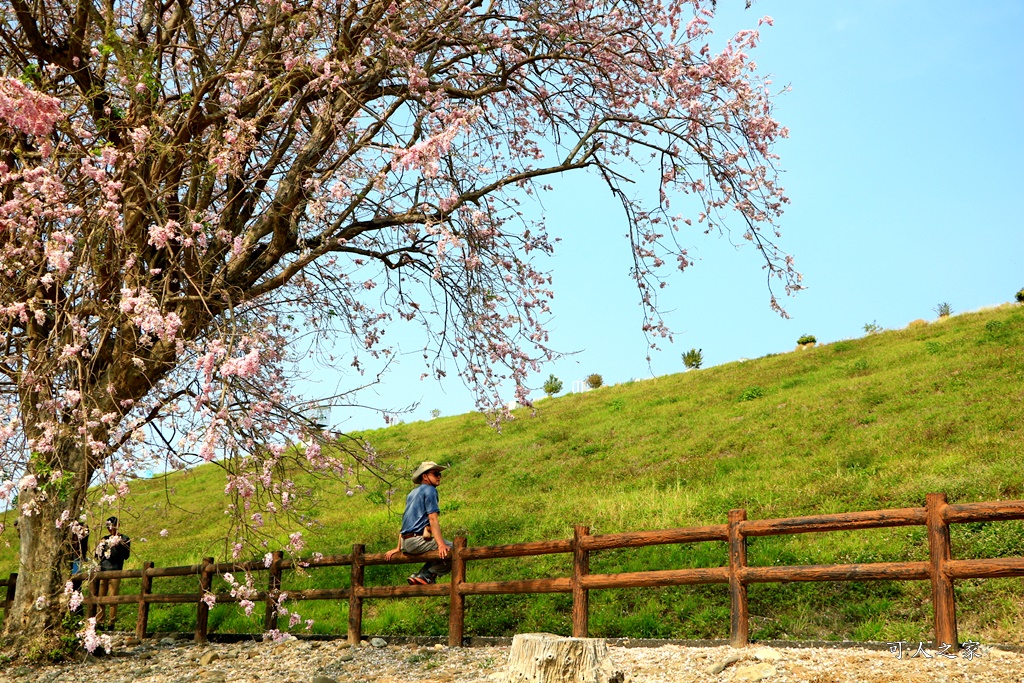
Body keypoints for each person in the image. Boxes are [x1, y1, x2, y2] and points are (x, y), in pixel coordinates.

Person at [385, 461, 452, 585]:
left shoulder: (412, 494)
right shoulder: (430, 490)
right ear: (425, 476)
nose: (439, 477)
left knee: (443, 549)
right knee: (454, 550)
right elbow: (433, 518)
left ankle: (422, 575)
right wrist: (441, 544)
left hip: (406, 542)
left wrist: (398, 547)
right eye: (435, 473)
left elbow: (406, 519)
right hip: (417, 541)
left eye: (439, 474)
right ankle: (427, 574)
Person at [94, 516, 130, 629]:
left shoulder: (124, 539)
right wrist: (100, 547)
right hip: (103, 570)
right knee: (101, 597)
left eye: (113, 526)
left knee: (113, 597)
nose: (111, 529)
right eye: (109, 527)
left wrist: (118, 544)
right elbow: (97, 555)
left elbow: (126, 555)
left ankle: (111, 622)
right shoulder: (104, 539)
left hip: (115, 570)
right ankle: (100, 621)